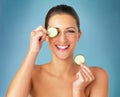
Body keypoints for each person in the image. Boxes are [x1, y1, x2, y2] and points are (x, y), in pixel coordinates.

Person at [6, 4, 108, 97]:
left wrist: (78, 91)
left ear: (79, 35)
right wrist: (33, 51)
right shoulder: (31, 73)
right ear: (46, 35)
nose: (62, 39)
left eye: (70, 31)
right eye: (55, 31)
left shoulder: (97, 76)